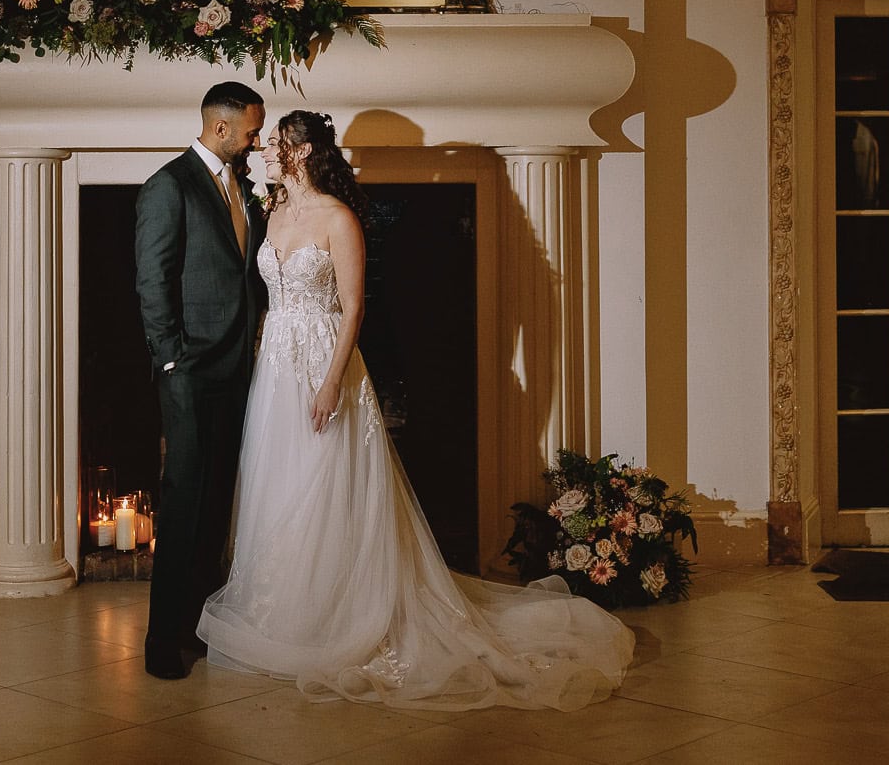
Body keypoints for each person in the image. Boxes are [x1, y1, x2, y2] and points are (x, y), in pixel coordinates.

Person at [199, 109, 636, 711]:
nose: (268, 149)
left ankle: (341, 614)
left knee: (329, 484)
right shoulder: (272, 214)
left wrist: (329, 385)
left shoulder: (339, 218)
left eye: (278, 142)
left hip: (326, 362)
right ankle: (285, 612)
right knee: (282, 484)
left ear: (302, 152)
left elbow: (352, 309)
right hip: (275, 364)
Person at [134, 80, 268, 680]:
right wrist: (170, 359)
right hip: (188, 373)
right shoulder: (169, 186)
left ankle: (200, 625)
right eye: (251, 131)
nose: (257, 140)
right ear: (222, 129)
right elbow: (152, 280)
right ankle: (161, 640)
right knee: (184, 502)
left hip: (237, 370)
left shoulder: (243, 187)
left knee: (216, 506)